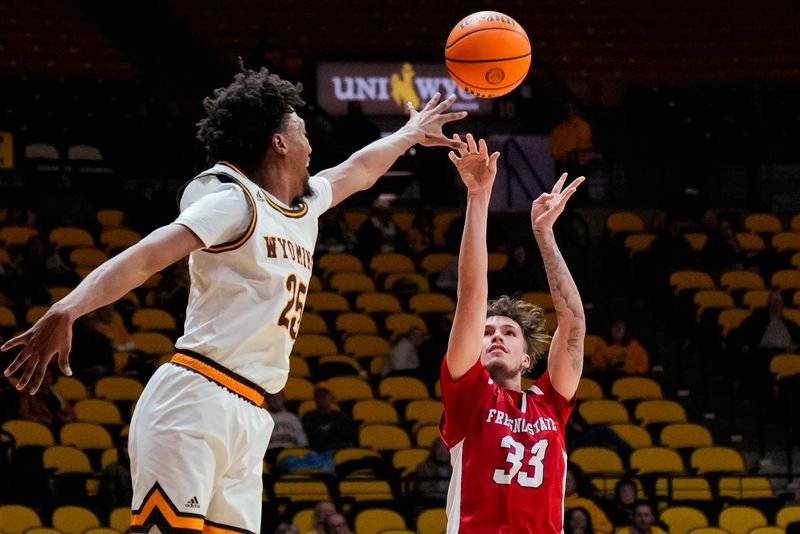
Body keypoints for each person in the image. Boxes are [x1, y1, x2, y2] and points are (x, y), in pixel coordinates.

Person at [2, 63, 466, 534]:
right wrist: (68, 308)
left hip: (250, 410)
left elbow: (358, 171)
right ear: (279, 143)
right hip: (195, 399)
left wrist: (410, 133)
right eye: (303, 132)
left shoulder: (303, 207)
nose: (311, 146)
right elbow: (145, 257)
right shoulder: (234, 201)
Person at [439, 133, 587, 532]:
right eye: (486, 333)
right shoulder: (468, 397)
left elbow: (573, 324)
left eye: (508, 331)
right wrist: (479, 196)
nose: (496, 336)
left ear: (526, 357)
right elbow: (471, 295)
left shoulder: (551, 403)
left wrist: (545, 235)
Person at [302, 383, 358, 452]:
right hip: (324, 450)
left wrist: (331, 428)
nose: (323, 398)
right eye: (319, 396)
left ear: (332, 398)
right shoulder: (309, 416)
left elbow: (352, 434)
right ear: (315, 399)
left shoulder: (341, 415)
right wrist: (335, 430)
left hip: (345, 448)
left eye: (326, 395)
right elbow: (313, 437)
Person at [16, 365, 75, 429]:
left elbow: (69, 412)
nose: (46, 379)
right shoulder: (27, 394)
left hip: (61, 426)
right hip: (40, 428)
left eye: (49, 377)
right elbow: (24, 414)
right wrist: (41, 420)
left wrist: (65, 418)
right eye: (43, 376)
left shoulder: (57, 394)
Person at [265, 391, 308, 464]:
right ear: (267, 400)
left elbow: (301, 438)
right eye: (272, 397)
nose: (275, 400)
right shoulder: (263, 417)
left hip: (291, 451)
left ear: (283, 399)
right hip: (271, 452)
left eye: (278, 397)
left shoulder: (292, 417)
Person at [414, 437, 452, 503]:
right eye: (439, 448)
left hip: (450, 504)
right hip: (430, 503)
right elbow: (424, 490)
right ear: (434, 451)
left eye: (445, 449)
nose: (442, 452)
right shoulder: (424, 467)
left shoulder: (454, 469)